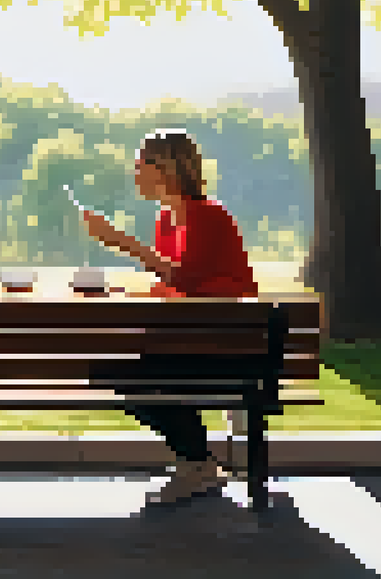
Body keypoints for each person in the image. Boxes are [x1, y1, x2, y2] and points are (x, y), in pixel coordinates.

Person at [78, 128, 260, 507]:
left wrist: (124, 244)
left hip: (226, 351)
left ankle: (198, 464)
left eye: (140, 163)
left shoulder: (207, 216)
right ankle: (197, 462)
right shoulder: (166, 220)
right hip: (194, 343)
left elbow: (187, 278)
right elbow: (180, 285)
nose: (134, 173)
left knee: (125, 375)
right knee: (112, 370)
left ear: (165, 168)